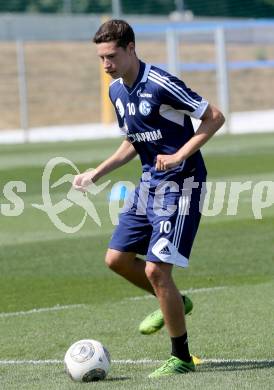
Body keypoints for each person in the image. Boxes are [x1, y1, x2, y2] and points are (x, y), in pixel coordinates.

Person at [73, 19, 225, 378]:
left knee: (157, 270)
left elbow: (214, 117)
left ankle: (182, 357)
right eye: (101, 58)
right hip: (149, 185)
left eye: (111, 56)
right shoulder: (116, 91)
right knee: (116, 259)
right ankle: (174, 299)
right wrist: (97, 172)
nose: (106, 65)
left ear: (130, 49)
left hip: (182, 184)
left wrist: (178, 156)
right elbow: (133, 140)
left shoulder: (160, 83)